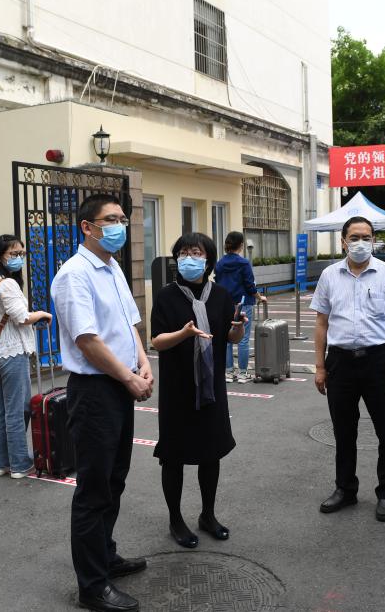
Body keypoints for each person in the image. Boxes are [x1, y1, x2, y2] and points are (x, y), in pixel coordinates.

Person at [51, 193, 153, 612]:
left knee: (114, 479)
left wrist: (144, 362)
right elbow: (88, 341)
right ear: (87, 227)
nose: (120, 226)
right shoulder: (74, 275)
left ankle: (105, 555)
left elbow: (129, 324)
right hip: (95, 391)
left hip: (120, 385)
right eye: (111, 219)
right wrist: (129, 378)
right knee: (93, 489)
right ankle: (92, 586)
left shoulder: (112, 269)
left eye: (123, 219)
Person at [311, 216, 385, 522]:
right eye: (354, 237)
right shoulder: (329, 275)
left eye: (366, 237)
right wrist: (319, 366)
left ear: (374, 241)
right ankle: (345, 489)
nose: (361, 243)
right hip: (340, 362)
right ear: (343, 242)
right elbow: (321, 323)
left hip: (378, 360)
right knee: (343, 432)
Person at [151, 232, 245, 549]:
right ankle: (175, 519)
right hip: (177, 388)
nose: (189, 257)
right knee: (173, 455)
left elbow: (230, 338)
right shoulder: (166, 296)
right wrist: (183, 333)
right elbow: (156, 341)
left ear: (208, 260)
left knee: (211, 451)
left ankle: (208, 515)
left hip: (211, 387)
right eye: (183, 252)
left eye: (196, 252)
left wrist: (238, 327)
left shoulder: (221, 295)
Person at [0, 234, 52, 479]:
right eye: (14, 254)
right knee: (17, 409)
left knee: (0, 408)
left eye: (21, 254)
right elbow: (22, 317)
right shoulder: (7, 284)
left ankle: (0, 463)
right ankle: (20, 463)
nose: (19, 258)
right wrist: (42, 313)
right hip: (11, 352)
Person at [214, 231, 266, 383]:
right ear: (241, 245)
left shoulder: (219, 263)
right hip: (243, 303)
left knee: (226, 338)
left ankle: (229, 373)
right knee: (243, 339)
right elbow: (250, 286)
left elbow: (217, 283)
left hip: (224, 304)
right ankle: (243, 373)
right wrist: (260, 297)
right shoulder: (244, 263)